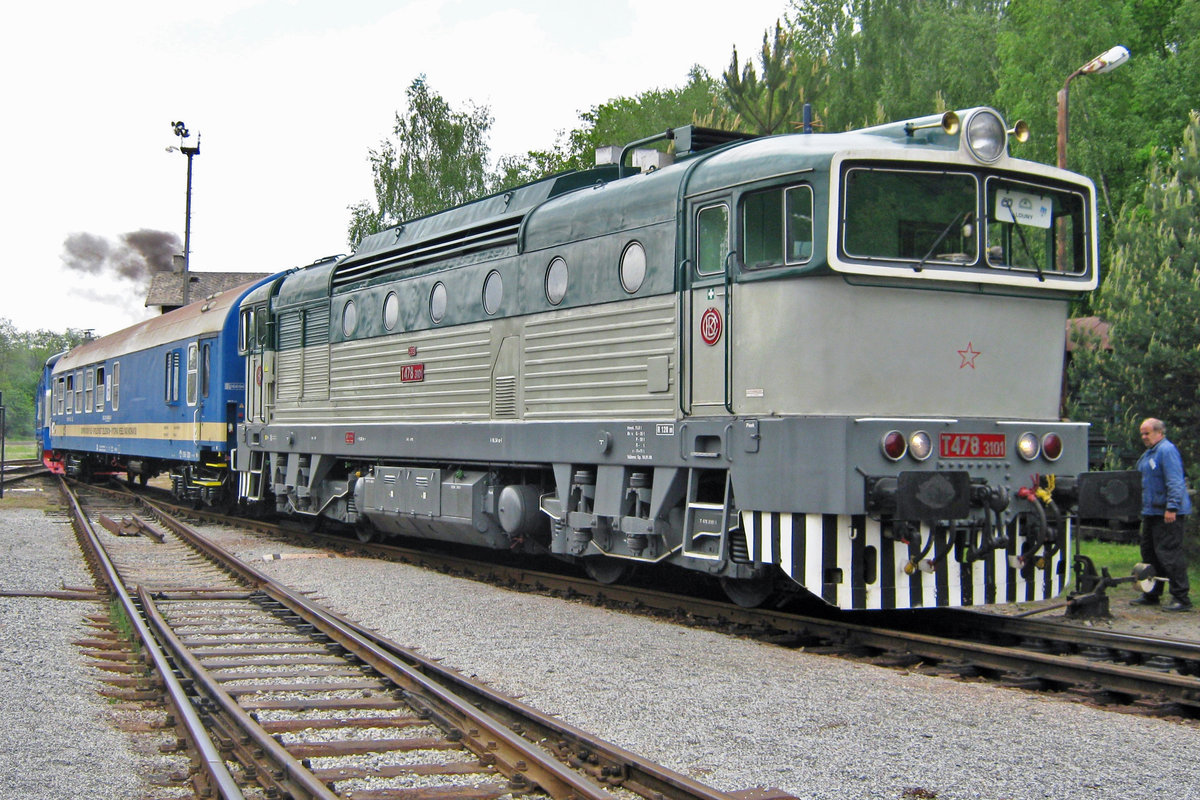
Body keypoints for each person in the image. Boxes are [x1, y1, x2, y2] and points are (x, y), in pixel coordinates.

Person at [1132, 418, 1193, 611]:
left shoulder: (1166, 451)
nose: (1143, 437)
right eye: (1142, 433)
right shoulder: (1149, 453)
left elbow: (1175, 480)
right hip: (1151, 511)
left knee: (1169, 553)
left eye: (1147, 433)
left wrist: (1172, 507)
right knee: (1149, 553)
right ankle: (1152, 593)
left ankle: (1181, 597)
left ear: (1159, 433)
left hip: (1166, 512)